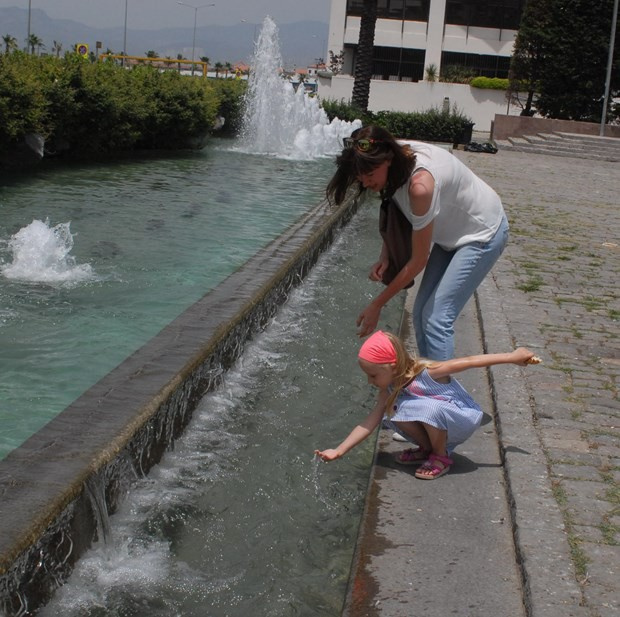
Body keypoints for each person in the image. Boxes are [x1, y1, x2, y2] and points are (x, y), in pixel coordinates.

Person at [326, 125, 509, 361]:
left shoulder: (420, 186)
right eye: (361, 179)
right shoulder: (389, 152)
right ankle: (429, 381)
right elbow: (395, 208)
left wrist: (377, 305)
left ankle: (442, 394)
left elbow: (418, 261)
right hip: (451, 236)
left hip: (483, 232)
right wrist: (386, 255)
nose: (367, 183)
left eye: (370, 177)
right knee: (421, 312)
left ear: (387, 161)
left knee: (437, 319)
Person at [314, 330, 540, 480]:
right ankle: (427, 450)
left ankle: (441, 457)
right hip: (437, 420)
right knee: (392, 413)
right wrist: (339, 450)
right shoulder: (389, 389)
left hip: (460, 418)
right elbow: (369, 423)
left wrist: (512, 356)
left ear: (392, 366)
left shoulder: (427, 373)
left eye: (372, 375)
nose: (369, 381)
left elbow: (469, 362)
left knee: (425, 408)